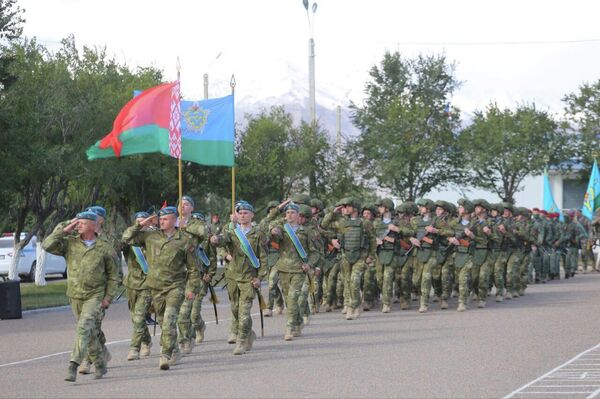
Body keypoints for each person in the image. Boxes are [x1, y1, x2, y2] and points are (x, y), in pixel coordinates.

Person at [42, 211, 120, 382]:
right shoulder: (69, 243)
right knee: (90, 332)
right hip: (75, 295)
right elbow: (46, 245)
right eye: (77, 223)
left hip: (95, 295)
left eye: (82, 223)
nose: (78, 225)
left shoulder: (105, 247)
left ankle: (73, 365)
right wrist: (64, 230)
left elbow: (115, 276)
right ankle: (100, 363)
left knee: (83, 328)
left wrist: (108, 297)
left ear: (93, 225)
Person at [122, 206, 200, 370]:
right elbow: (126, 238)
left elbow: (193, 269)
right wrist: (141, 224)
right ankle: (175, 350)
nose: (161, 221)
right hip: (156, 288)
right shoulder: (150, 237)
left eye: (165, 219)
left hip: (175, 287)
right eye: (160, 219)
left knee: (170, 320)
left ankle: (165, 354)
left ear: (174, 220)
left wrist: (191, 288)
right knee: (164, 322)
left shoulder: (185, 240)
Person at [210, 200, 267, 355]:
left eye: (245, 213)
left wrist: (260, 278)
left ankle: (241, 341)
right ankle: (249, 334)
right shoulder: (233, 232)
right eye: (240, 213)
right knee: (235, 309)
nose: (242, 216)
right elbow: (222, 240)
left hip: (249, 278)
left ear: (252, 215)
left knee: (244, 312)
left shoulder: (258, 233)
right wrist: (215, 240)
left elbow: (263, 258)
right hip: (233, 277)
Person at [270, 202, 320, 340]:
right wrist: (274, 231)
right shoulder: (281, 229)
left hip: (299, 269)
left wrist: (309, 264)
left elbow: (315, 253)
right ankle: (297, 322)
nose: (289, 215)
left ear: (298, 215)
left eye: (292, 213)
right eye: (287, 213)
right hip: (284, 269)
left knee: (293, 298)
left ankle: (289, 328)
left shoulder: (306, 231)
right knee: (288, 299)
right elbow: (271, 229)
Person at [321, 197, 376, 320]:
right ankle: (354, 306)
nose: (344, 208)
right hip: (345, 256)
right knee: (347, 282)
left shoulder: (364, 223)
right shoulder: (341, 222)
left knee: (355, 281)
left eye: (347, 206)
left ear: (355, 208)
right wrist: (333, 213)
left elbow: (373, 240)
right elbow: (323, 226)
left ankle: (352, 307)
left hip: (360, 257)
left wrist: (371, 256)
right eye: (343, 206)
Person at [122, 211, 155, 361]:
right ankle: (146, 341)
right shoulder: (130, 238)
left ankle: (134, 348)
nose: (142, 224)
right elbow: (124, 239)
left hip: (148, 283)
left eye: (144, 221)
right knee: (135, 319)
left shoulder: (154, 237)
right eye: (139, 221)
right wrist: (138, 226)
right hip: (132, 284)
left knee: (140, 316)